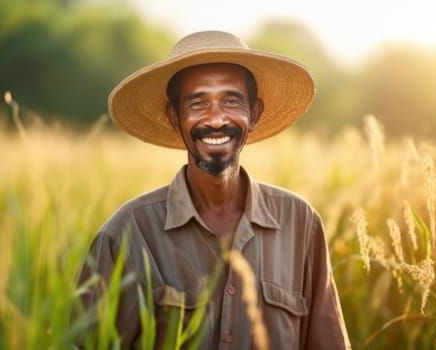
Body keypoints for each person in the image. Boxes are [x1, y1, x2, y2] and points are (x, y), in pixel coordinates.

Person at [76, 30, 351, 349]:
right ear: (174, 117)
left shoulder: (300, 223)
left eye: (231, 101)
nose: (216, 119)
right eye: (198, 103)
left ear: (255, 113)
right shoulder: (128, 233)